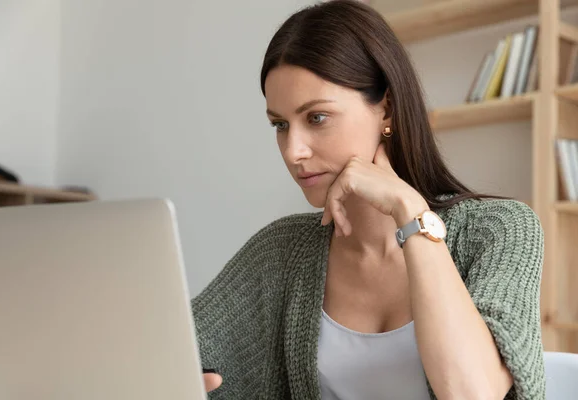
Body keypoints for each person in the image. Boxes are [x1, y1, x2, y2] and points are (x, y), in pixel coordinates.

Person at [193, 1, 545, 399]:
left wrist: (409, 212)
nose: (293, 151)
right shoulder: (282, 252)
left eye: (317, 118)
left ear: (387, 108)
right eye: (280, 124)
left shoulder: (501, 230)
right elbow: (168, 349)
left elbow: (472, 392)